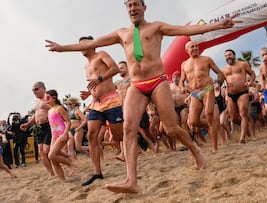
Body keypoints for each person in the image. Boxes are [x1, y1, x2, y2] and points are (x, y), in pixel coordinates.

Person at [45, 0, 239, 193]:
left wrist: (219, 25)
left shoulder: (157, 27)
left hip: (157, 81)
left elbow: (184, 30)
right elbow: (93, 43)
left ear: (144, 8)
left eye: (136, 4)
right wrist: (62, 48)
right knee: (129, 128)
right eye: (129, 5)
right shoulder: (121, 33)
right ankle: (131, 180)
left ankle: (195, 150)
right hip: (136, 85)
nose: (132, 8)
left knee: (171, 128)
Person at [75, 35, 123, 186]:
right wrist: (89, 93)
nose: (82, 47)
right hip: (96, 103)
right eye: (80, 44)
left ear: (93, 45)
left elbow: (115, 69)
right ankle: (97, 172)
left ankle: (129, 152)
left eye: (85, 43)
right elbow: (95, 83)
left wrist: (100, 79)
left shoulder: (101, 55)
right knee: (91, 136)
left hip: (112, 100)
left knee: (119, 135)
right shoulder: (85, 66)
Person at [180, 40, 225, 153]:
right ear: (187, 50)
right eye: (192, 47)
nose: (195, 48)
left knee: (209, 115)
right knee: (193, 121)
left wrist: (218, 83)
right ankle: (213, 125)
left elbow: (220, 73)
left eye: (196, 46)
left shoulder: (206, 59)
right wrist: (181, 87)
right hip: (195, 93)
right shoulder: (184, 64)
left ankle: (214, 147)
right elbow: (181, 80)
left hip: (207, 88)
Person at [21, 82, 55, 179]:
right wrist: (28, 124)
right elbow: (36, 114)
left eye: (36, 89)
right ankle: (51, 173)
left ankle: (65, 158)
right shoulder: (37, 101)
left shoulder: (48, 98)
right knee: (41, 151)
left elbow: (56, 109)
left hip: (48, 125)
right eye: (33, 90)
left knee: (46, 150)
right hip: (38, 127)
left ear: (43, 88)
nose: (34, 92)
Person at [222, 49, 256, 143]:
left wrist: (251, 81)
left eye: (230, 54)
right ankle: (246, 129)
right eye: (226, 55)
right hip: (230, 94)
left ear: (234, 55)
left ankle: (242, 137)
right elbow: (220, 81)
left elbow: (252, 73)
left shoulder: (242, 64)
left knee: (243, 114)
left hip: (243, 92)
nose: (228, 56)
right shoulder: (224, 69)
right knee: (233, 118)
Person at [46, 90, 76, 181]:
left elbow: (68, 121)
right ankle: (63, 180)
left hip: (62, 134)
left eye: (48, 98)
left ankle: (70, 164)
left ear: (54, 98)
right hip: (54, 136)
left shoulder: (59, 108)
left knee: (51, 155)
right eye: (45, 98)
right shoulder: (49, 110)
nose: (46, 100)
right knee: (53, 160)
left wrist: (65, 133)